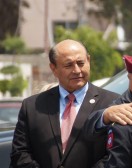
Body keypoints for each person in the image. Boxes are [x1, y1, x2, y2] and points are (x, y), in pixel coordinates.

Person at [10, 39, 119, 168]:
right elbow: (20, 154)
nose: (77, 70)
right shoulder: (33, 106)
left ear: (88, 61)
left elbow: (115, 154)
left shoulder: (112, 103)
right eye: (69, 65)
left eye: (81, 63)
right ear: (53, 68)